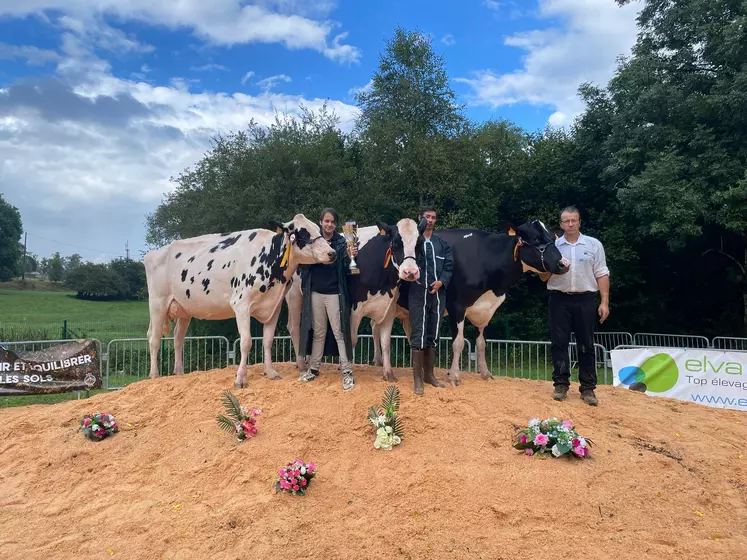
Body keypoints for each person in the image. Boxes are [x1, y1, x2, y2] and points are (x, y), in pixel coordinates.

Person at [547, 206, 610, 406]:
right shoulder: (554, 246)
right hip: (559, 298)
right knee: (559, 343)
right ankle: (561, 384)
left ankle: (588, 388)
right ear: (561, 224)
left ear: (580, 222)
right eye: (566, 221)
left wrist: (604, 302)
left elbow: (602, 273)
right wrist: (553, 269)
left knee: (586, 344)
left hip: (585, 299)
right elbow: (542, 275)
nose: (570, 224)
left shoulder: (593, 244)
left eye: (574, 220)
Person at [297, 208, 358, 391]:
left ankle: (347, 372)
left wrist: (350, 257)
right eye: (326, 221)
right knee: (318, 333)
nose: (329, 224)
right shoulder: (313, 241)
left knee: (340, 332)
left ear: (335, 224)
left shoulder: (342, 242)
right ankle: (314, 369)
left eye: (332, 221)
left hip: (334, 293)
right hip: (315, 293)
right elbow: (303, 265)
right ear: (321, 222)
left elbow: (350, 269)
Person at [409, 205, 453, 395]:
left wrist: (442, 282)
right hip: (418, 293)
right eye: (427, 217)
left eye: (433, 217)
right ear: (420, 218)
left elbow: (449, 266)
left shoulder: (442, 244)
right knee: (418, 333)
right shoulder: (413, 242)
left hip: (437, 294)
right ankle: (417, 379)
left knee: (433, 332)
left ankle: (430, 375)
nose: (430, 220)